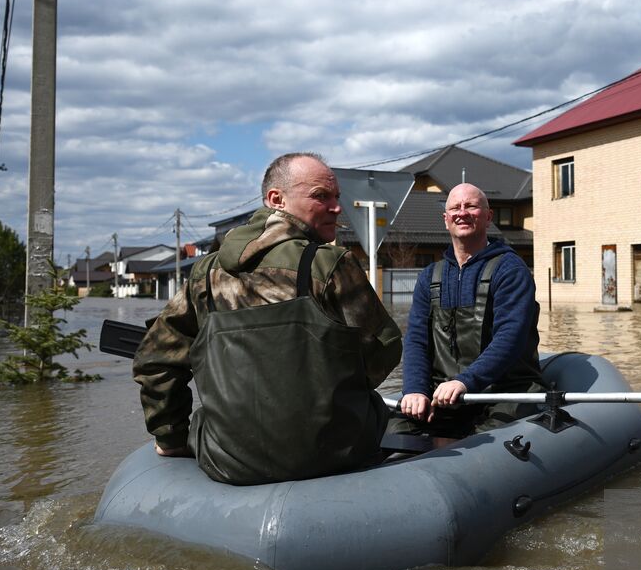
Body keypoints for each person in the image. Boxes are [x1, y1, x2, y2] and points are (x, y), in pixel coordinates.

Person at [133, 152, 402, 485]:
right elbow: (385, 351)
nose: (336, 207)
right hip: (333, 454)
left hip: (227, 461)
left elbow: (154, 360)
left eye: (337, 198)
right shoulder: (330, 264)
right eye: (321, 196)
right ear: (277, 199)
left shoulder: (204, 274)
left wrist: (171, 437)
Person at [392, 183, 544, 439]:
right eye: (455, 208)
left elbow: (510, 337)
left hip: (505, 392)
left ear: (488, 216)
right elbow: (417, 339)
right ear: (446, 219)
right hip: (446, 396)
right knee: (391, 429)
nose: (462, 213)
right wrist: (416, 389)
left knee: (487, 441)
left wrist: (465, 382)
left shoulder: (510, 270)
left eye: (471, 206)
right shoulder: (430, 276)